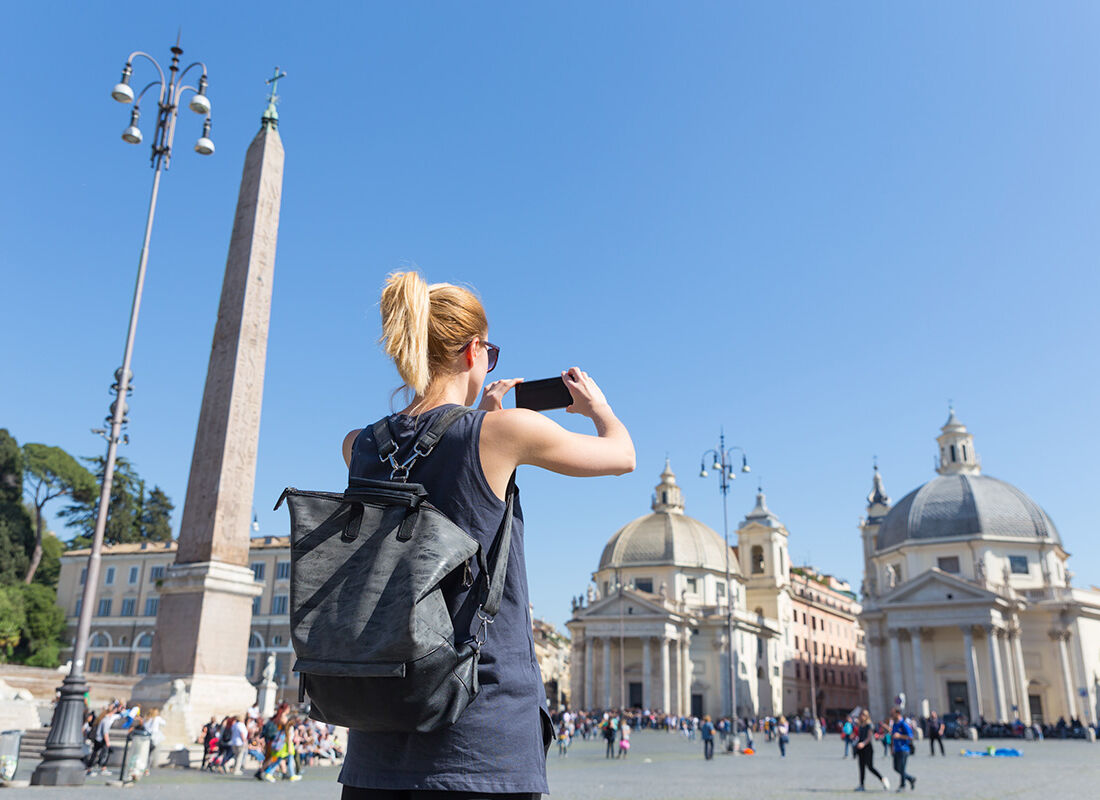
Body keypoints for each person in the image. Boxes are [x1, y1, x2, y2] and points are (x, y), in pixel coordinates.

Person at [337, 272, 635, 799]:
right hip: (480, 735)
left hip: (377, 735)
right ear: (475, 351)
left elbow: (430, 460)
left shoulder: (359, 446)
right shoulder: (502, 433)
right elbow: (622, 456)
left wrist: (486, 423)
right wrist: (597, 408)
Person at [854, 709, 889, 792]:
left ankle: (882, 779)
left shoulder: (869, 725)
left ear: (866, 716)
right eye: (860, 715)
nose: (861, 716)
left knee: (870, 767)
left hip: (867, 748)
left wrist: (863, 743)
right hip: (860, 748)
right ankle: (861, 785)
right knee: (861, 767)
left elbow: (869, 738)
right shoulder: (860, 725)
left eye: (863, 715)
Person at [889, 708, 916, 792]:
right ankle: (910, 778)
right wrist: (892, 747)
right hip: (896, 749)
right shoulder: (894, 724)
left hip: (904, 749)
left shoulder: (903, 724)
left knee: (902, 768)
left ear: (897, 713)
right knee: (896, 768)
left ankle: (902, 786)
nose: (891, 716)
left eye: (892, 714)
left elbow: (910, 736)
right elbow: (893, 737)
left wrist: (900, 736)